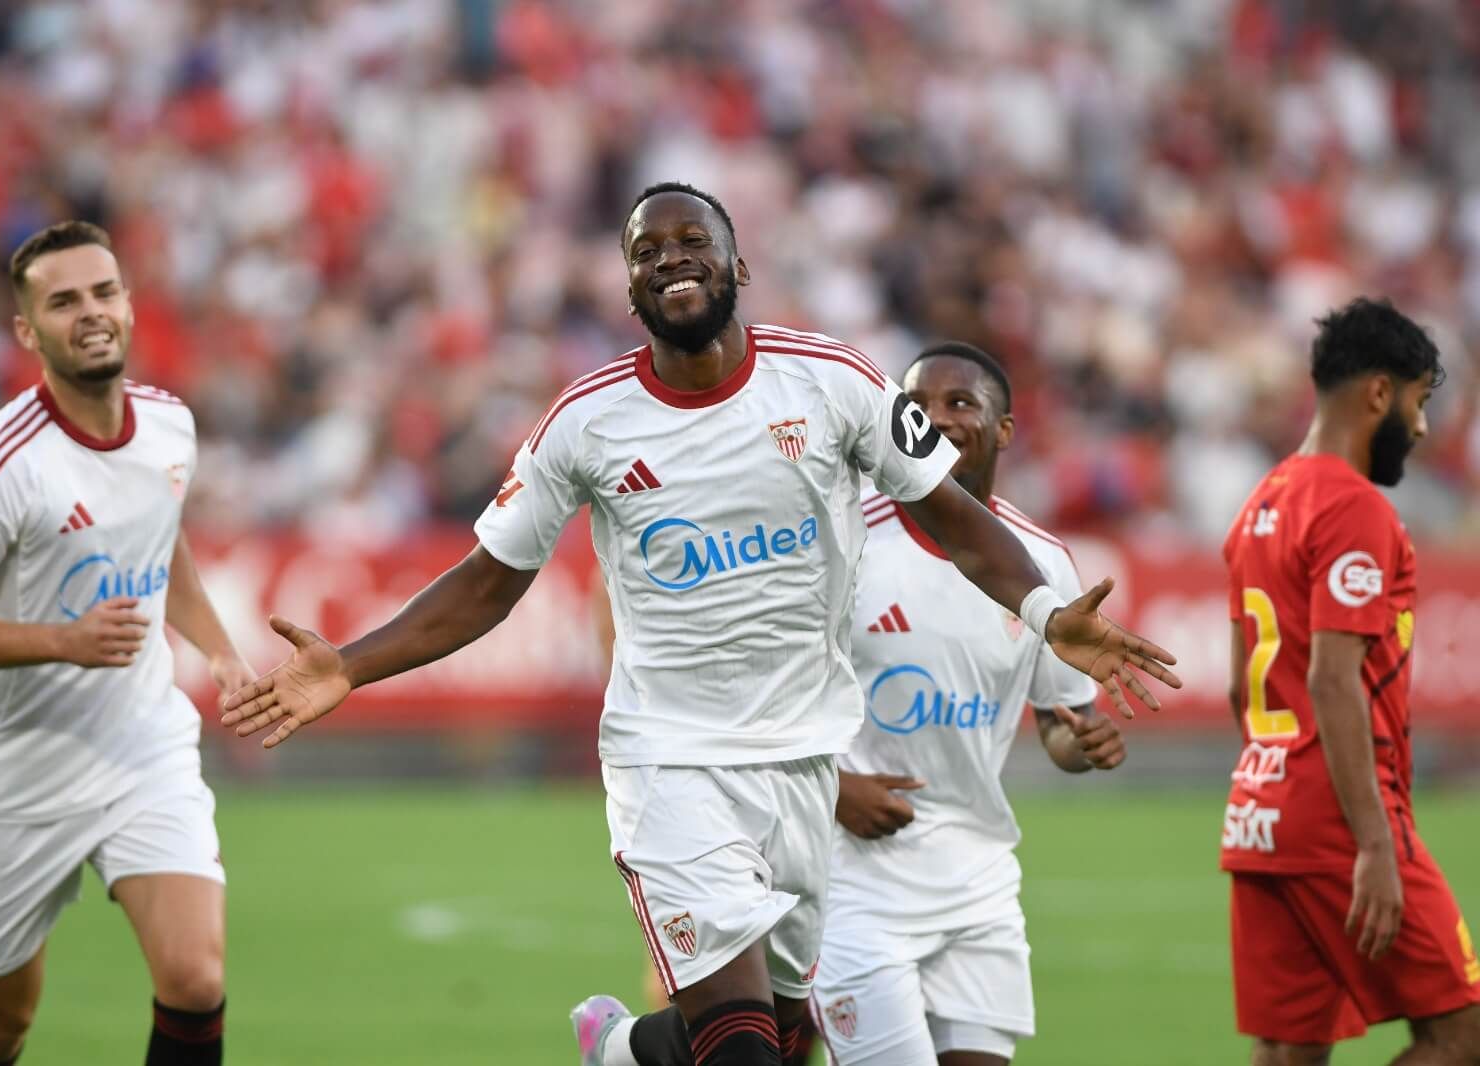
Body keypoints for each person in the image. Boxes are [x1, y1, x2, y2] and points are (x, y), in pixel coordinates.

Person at [219, 182, 1180, 1066]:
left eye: (693, 240)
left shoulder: (835, 383)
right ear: (630, 287)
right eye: (648, 250)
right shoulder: (586, 422)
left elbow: (956, 519)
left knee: (788, 1027)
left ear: (737, 266)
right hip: (672, 761)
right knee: (746, 1053)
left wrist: (1048, 612)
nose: (671, 257)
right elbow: (486, 584)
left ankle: (623, 1051)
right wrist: (348, 664)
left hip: (802, 760)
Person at [0, 221, 252, 1066]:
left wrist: (221, 652)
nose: (89, 313)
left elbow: (160, 537)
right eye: (62, 301)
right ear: (28, 331)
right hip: (20, 770)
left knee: (195, 979)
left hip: (142, 745)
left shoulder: (170, 426)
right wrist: (63, 639)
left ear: (127, 303)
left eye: (103, 292)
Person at [791, 342, 1126, 1066]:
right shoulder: (843, 540)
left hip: (977, 874)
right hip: (852, 873)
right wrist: (834, 788)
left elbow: (1059, 726)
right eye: (919, 407)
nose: (937, 419)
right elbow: (761, 695)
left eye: (961, 403)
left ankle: (634, 1050)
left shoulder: (1043, 564)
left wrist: (1082, 744)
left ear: (1004, 430)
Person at [1221, 297, 1480, 1065]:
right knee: (1463, 1032)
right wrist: (1372, 843)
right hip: (1344, 822)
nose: (1424, 426)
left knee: (1288, 1050)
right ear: (1379, 393)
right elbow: (1334, 679)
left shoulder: (1259, 504)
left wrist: (1279, 789)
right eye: (1420, 400)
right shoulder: (1354, 507)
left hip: (1259, 816)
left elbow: (1243, 690)